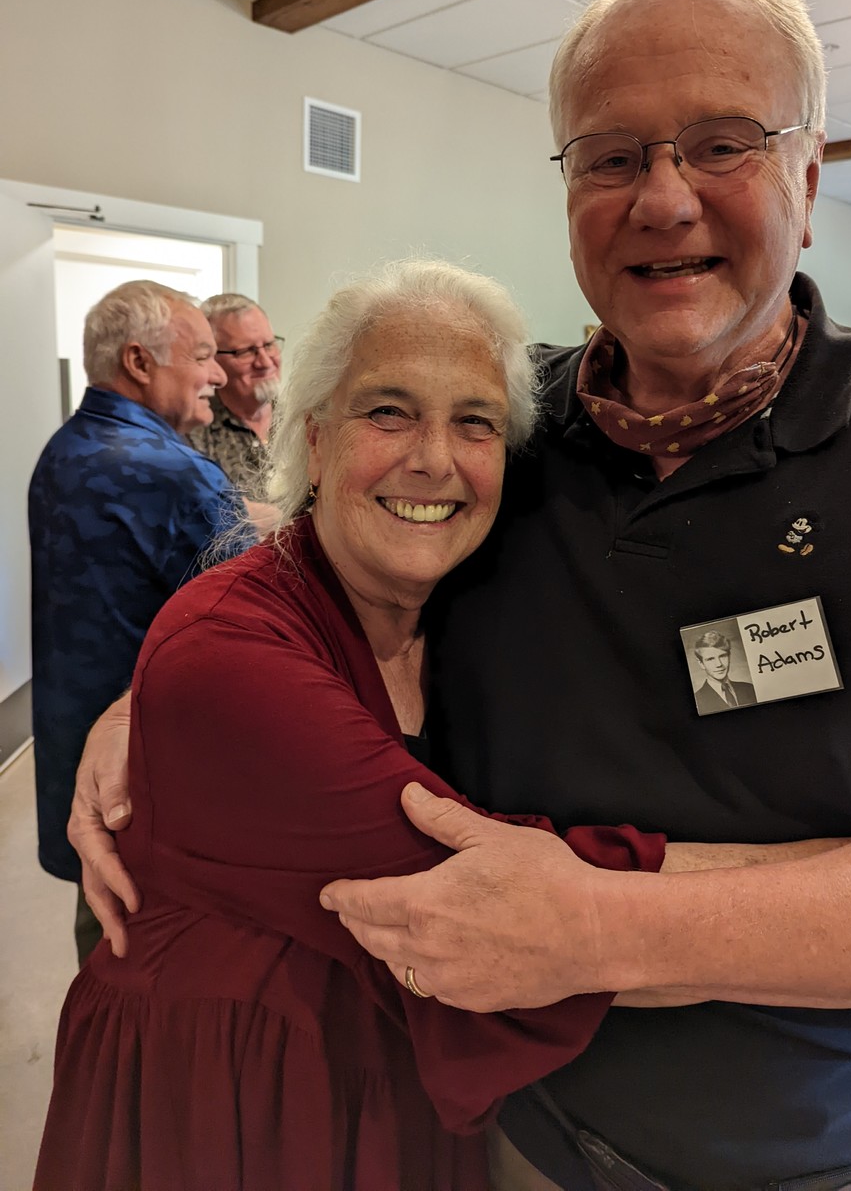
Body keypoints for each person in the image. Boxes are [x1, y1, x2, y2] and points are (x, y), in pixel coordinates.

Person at [69, 0, 851, 1189]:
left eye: (721, 142)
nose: (663, 198)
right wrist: (153, 701)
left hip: (848, 1161)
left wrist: (607, 924)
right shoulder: (508, 430)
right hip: (508, 1135)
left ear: (810, 174)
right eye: (612, 156)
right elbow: (318, 567)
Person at [34, 261, 672, 1191]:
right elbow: (493, 913)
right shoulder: (232, 651)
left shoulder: (465, 604)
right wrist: (844, 887)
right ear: (317, 438)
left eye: (476, 421)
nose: (435, 459)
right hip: (234, 1104)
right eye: (388, 411)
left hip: (383, 1077)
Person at [28, 279, 244, 964]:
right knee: (152, 950)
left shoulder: (64, 449)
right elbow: (256, 620)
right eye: (204, 356)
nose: (219, 375)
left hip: (74, 745)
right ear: (139, 362)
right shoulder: (175, 475)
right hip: (148, 768)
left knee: (99, 926)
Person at [187, 292, 282, 493]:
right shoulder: (193, 434)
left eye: (269, 345)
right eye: (245, 351)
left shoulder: (305, 420)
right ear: (211, 357)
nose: (265, 362)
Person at [691, 629, 756, 714]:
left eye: (722, 656)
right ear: (701, 664)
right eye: (710, 659)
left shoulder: (750, 689)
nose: (719, 664)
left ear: (729, 656)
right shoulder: (697, 701)